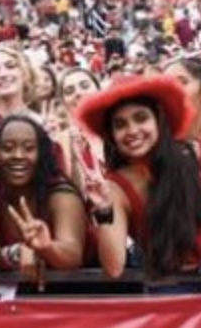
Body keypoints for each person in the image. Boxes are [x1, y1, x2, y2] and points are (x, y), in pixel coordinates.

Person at [75, 74, 201, 292]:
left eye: (141, 118)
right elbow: (114, 268)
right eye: (120, 124)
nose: (132, 131)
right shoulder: (114, 187)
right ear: (112, 135)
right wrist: (103, 210)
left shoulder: (195, 155)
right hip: (172, 294)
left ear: (158, 120)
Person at [0, 115, 87, 290]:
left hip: (78, 294)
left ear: (42, 154)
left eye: (29, 148)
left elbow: (72, 255)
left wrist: (47, 248)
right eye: (7, 148)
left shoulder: (62, 194)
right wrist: (16, 252)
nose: (18, 155)